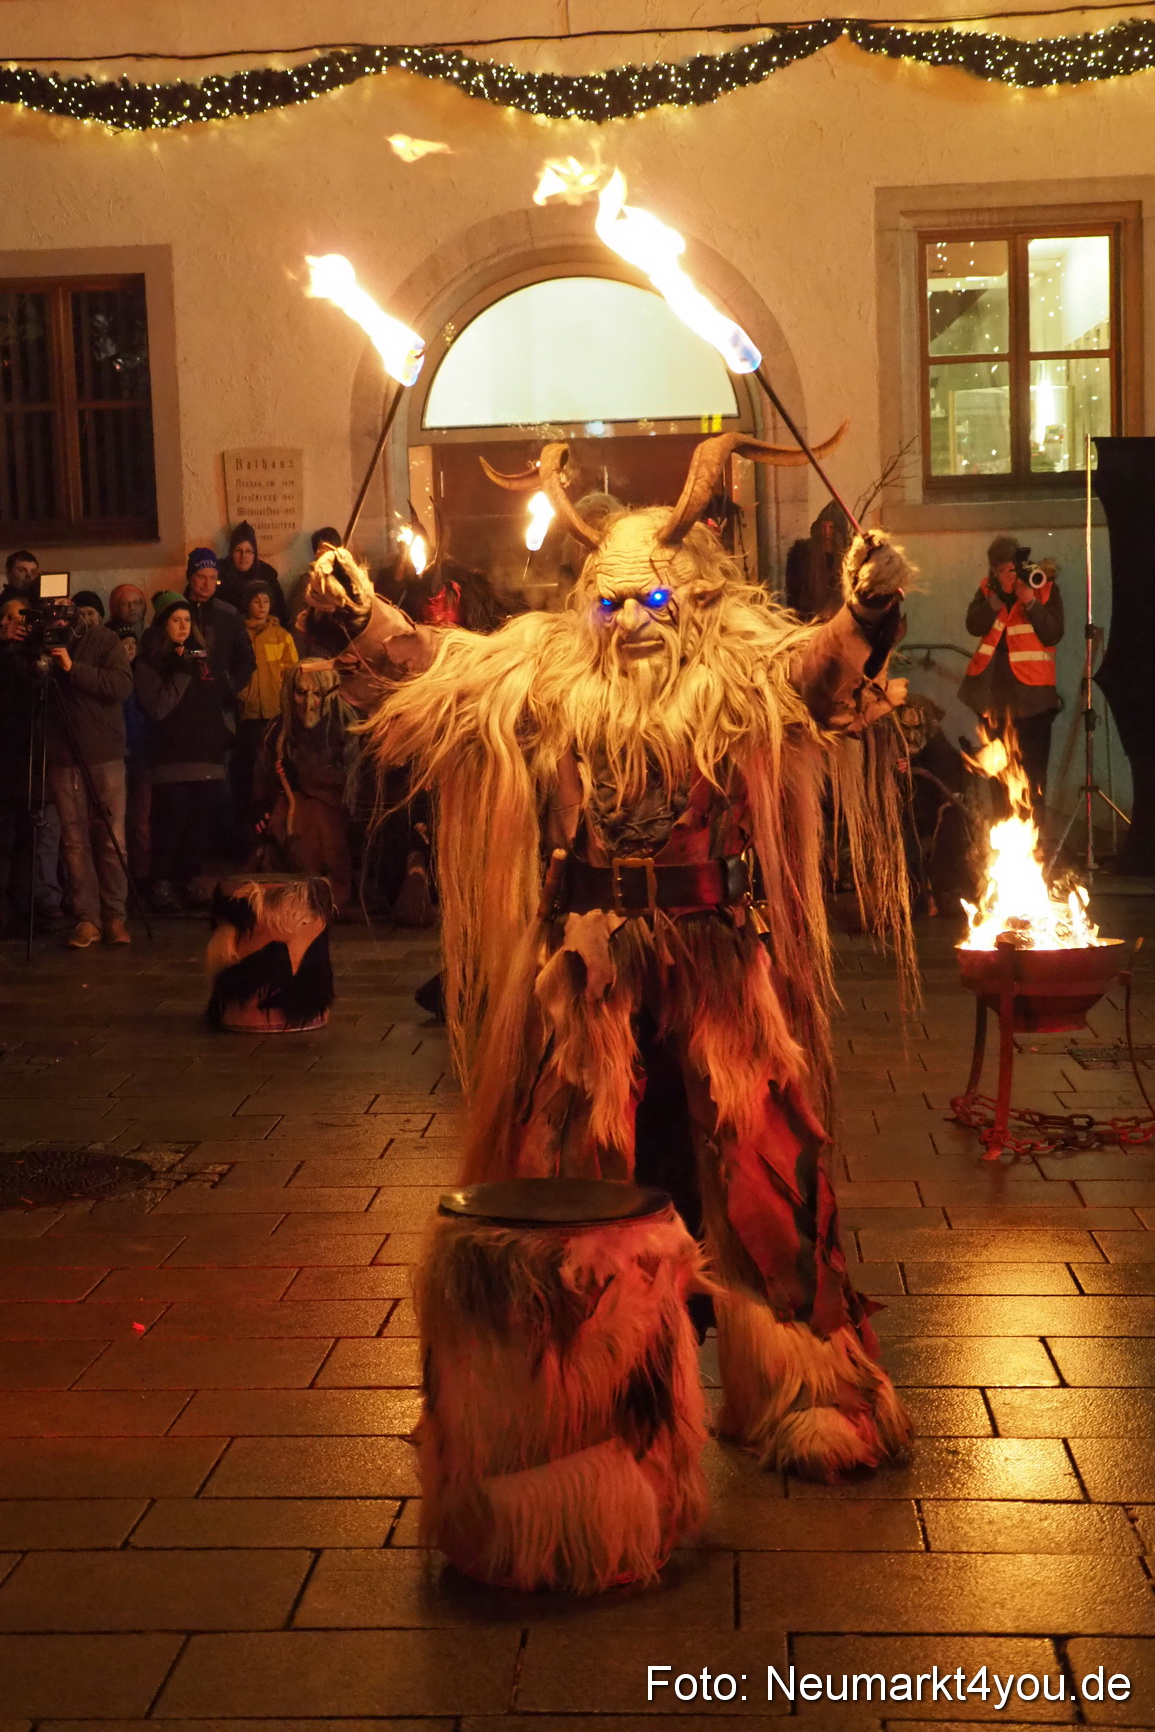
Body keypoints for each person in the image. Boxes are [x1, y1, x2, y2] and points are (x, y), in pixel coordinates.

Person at [303, 431, 916, 1481]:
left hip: (720, 962)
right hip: (587, 973)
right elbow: (434, 667)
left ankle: (806, 1382)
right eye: (612, 603)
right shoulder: (547, 671)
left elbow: (819, 669)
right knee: (563, 1180)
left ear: (696, 602)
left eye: (655, 601)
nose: (632, 621)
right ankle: (572, 1411)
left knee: (768, 1168)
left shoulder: (738, 668)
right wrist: (361, 616)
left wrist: (865, 609)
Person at [43, 600, 133, 948]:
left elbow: (121, 686)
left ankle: (115, 916)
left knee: (111, 839)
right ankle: (87, 918)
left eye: (63, 607)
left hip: (103, 752)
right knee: (74, 841)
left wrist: (72, 668)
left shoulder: (103, 640)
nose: (58, 615)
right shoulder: (41, 642)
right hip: (63, 754)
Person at [135, 597, 231, 912]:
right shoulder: (150, 662)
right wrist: (181, 672)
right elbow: (158, 708)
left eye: (187, 620)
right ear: (163, 624)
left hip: (207, 757)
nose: (183, 627)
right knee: (170, 823)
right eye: (175, 620)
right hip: (172, 760)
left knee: (198, 826)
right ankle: (161, 883)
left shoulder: (203, 660)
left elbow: (220, 700)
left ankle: (191, 880)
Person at [959, 536, 1064, 825]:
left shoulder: (1043, 586)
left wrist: (1029, 600)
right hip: (993, 700)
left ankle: (1035, 840)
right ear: (993, 571)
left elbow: (1053, 633)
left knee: (1033, 778)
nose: (1008, 575)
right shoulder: (988, 590)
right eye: (1001, 570)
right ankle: (1002, 839)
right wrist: (997, 599)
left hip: (1035, 701)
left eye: (1012, 568)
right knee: (998, 777)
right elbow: (973, 625)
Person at [235, 581, 298, 824]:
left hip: (275, 711)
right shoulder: (241, 635)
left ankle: (274, 817)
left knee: (275, 764)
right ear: (247, 605)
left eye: (266, 601)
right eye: (256, 601)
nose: (262, 606)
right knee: (250, 765)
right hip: (249, 712)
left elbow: (291, 673)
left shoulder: (281, 636)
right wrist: (242, 693)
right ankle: (250, 819)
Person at [182, 549, 256, 718]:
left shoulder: (229, 614)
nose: (207, 584)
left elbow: (246, 659)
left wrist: (230, 686)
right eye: (201, 576)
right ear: (190, 576)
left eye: (213, 578)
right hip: (183, 703)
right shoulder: (175, 612)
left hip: (221, 706)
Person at [113, 623, 150, 884]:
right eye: (123, 643)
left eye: (133, 643)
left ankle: (140, 875)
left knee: (141, 819)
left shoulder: (144, 676)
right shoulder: (111, 678)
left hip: (142, 755)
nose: (129, 648)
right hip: (117, 755)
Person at [218, 521, 288, 624]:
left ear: (254, 554)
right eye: (238, 551)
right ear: (231, 552)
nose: (243, 556)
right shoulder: (222, 573)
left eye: (248, 551)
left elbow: (280, 612)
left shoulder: (267, 575)